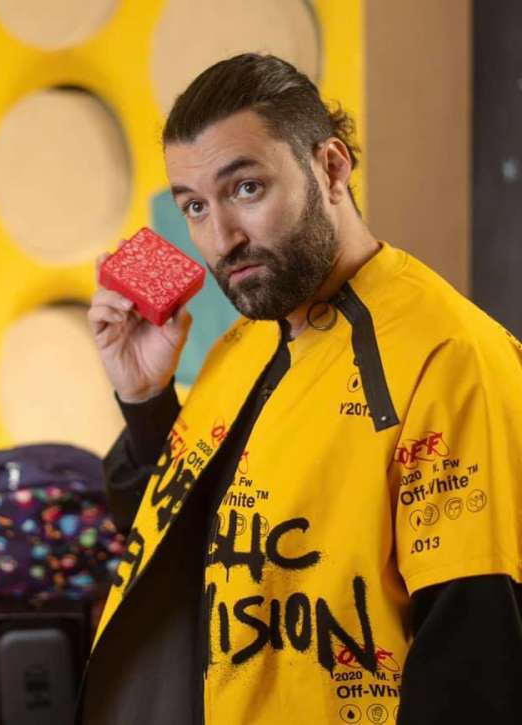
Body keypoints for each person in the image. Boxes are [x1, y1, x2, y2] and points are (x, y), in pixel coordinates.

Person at [81, 53, 522, 724]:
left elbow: (475, 659)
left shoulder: (454, 357)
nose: (221, 238)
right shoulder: (245, 343)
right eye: (195, 205)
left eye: (246, 188)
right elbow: (173, 554)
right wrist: (145, 401)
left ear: (332, 169)